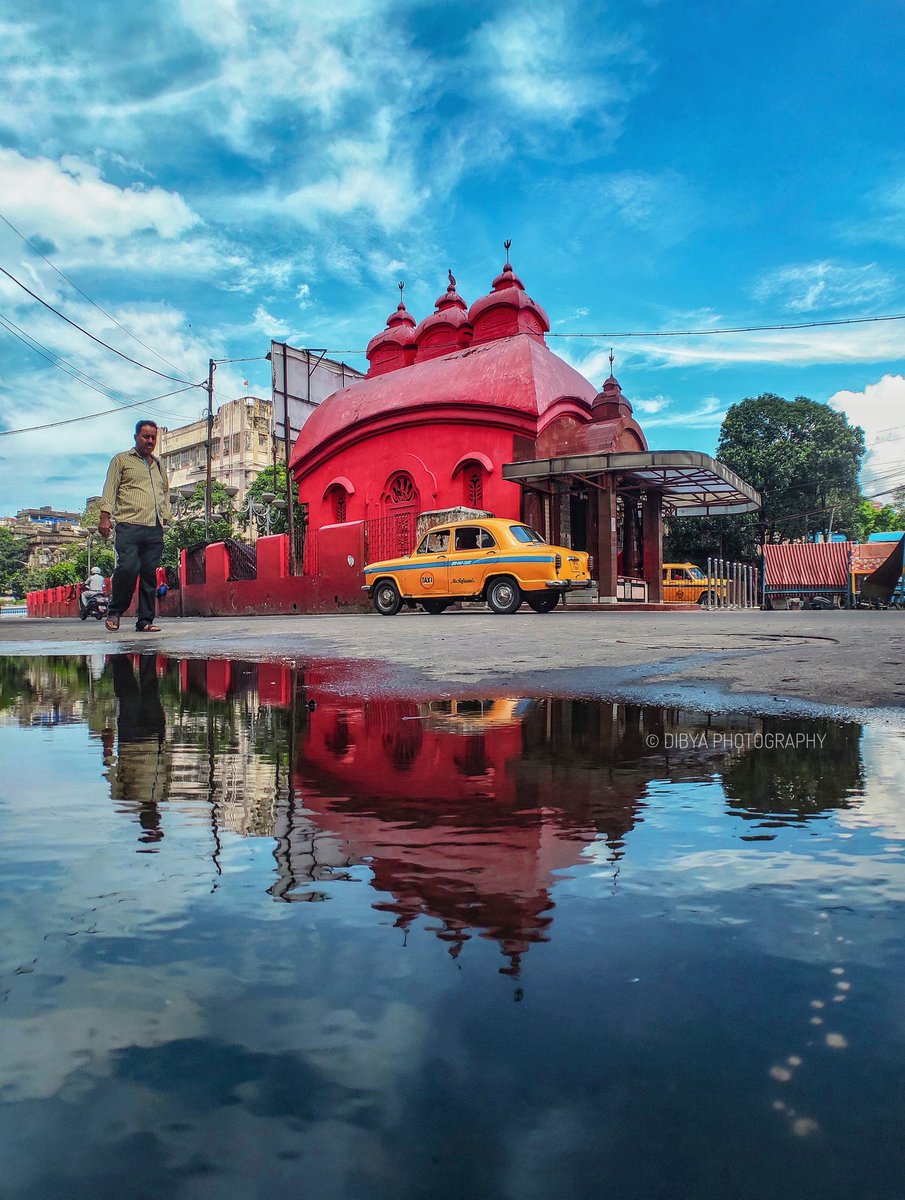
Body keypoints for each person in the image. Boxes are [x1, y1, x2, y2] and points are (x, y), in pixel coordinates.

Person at [99, 419, 172, 632]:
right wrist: (105, 516)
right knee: (128, 568)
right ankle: (115, 611)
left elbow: (164, 492)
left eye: (153, 437)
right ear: (136, 437)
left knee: (149, 573)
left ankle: (145, 621)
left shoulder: (158, 464)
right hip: (128, 525)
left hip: (154, 527)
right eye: (145, 436)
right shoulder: (121, 460)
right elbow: (110, 488)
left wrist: (164, 517)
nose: (150, 441)